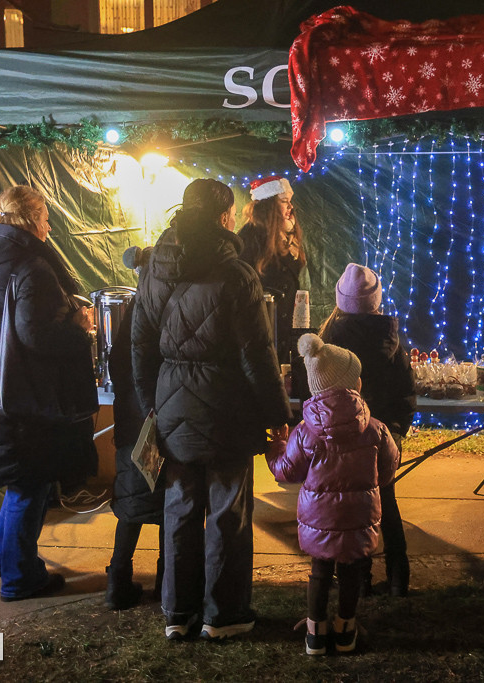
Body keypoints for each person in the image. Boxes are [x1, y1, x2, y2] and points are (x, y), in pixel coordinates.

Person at [131, 178, 291, 640]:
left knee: (179, 510)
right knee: (227, 514)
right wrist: (276, 412)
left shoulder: (155, 268)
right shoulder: (238, 274)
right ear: (224, 218)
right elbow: (256, 353)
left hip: (172, 403)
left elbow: (139, 344)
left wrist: (151, 406)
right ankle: (225, 615)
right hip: (228, 407)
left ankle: (177, 615)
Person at [0, 185, 98, 602]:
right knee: (31, 481)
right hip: (21, 391)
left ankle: (3, 559)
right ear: (33, 220)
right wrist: (79, 326)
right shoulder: (31, 265)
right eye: (47, 218)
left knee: (21, 479)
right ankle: (20, 577)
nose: (50, 226)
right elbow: (35, 334)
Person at [265, 333, 399, 655]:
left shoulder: (305, 432)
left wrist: (276, 446)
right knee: (351, 571)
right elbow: (389, 466)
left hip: (319, 518)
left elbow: (286, 470)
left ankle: (315, 634)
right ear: (354, 385)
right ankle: (345, 631)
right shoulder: (375, 429)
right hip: (358, 516)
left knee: (320, 571)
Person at [319, 263, 416, 597]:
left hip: (344, 436)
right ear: (375, 301)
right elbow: (406, 392)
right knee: (385, 500)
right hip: (383, 435)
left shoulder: (329, 341)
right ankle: (398, 575)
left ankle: (358, 579)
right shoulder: (391, 340)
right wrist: (398, 431)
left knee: (351, 508)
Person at [104, 246, 164, 611]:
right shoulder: (165, 310)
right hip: (160, 420)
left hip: (131, 425)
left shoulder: (131, 315)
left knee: (131, 503)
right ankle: (167, 580)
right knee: (168, 504)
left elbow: (118, 366)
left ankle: (117, 581)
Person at [237, 176, 307, 362]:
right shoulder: (249, 238)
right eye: (284, 202)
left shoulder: (287, 236)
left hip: (282, 328)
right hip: (262, 328)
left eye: (290, 202)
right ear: (269, 206)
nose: (290, 207)